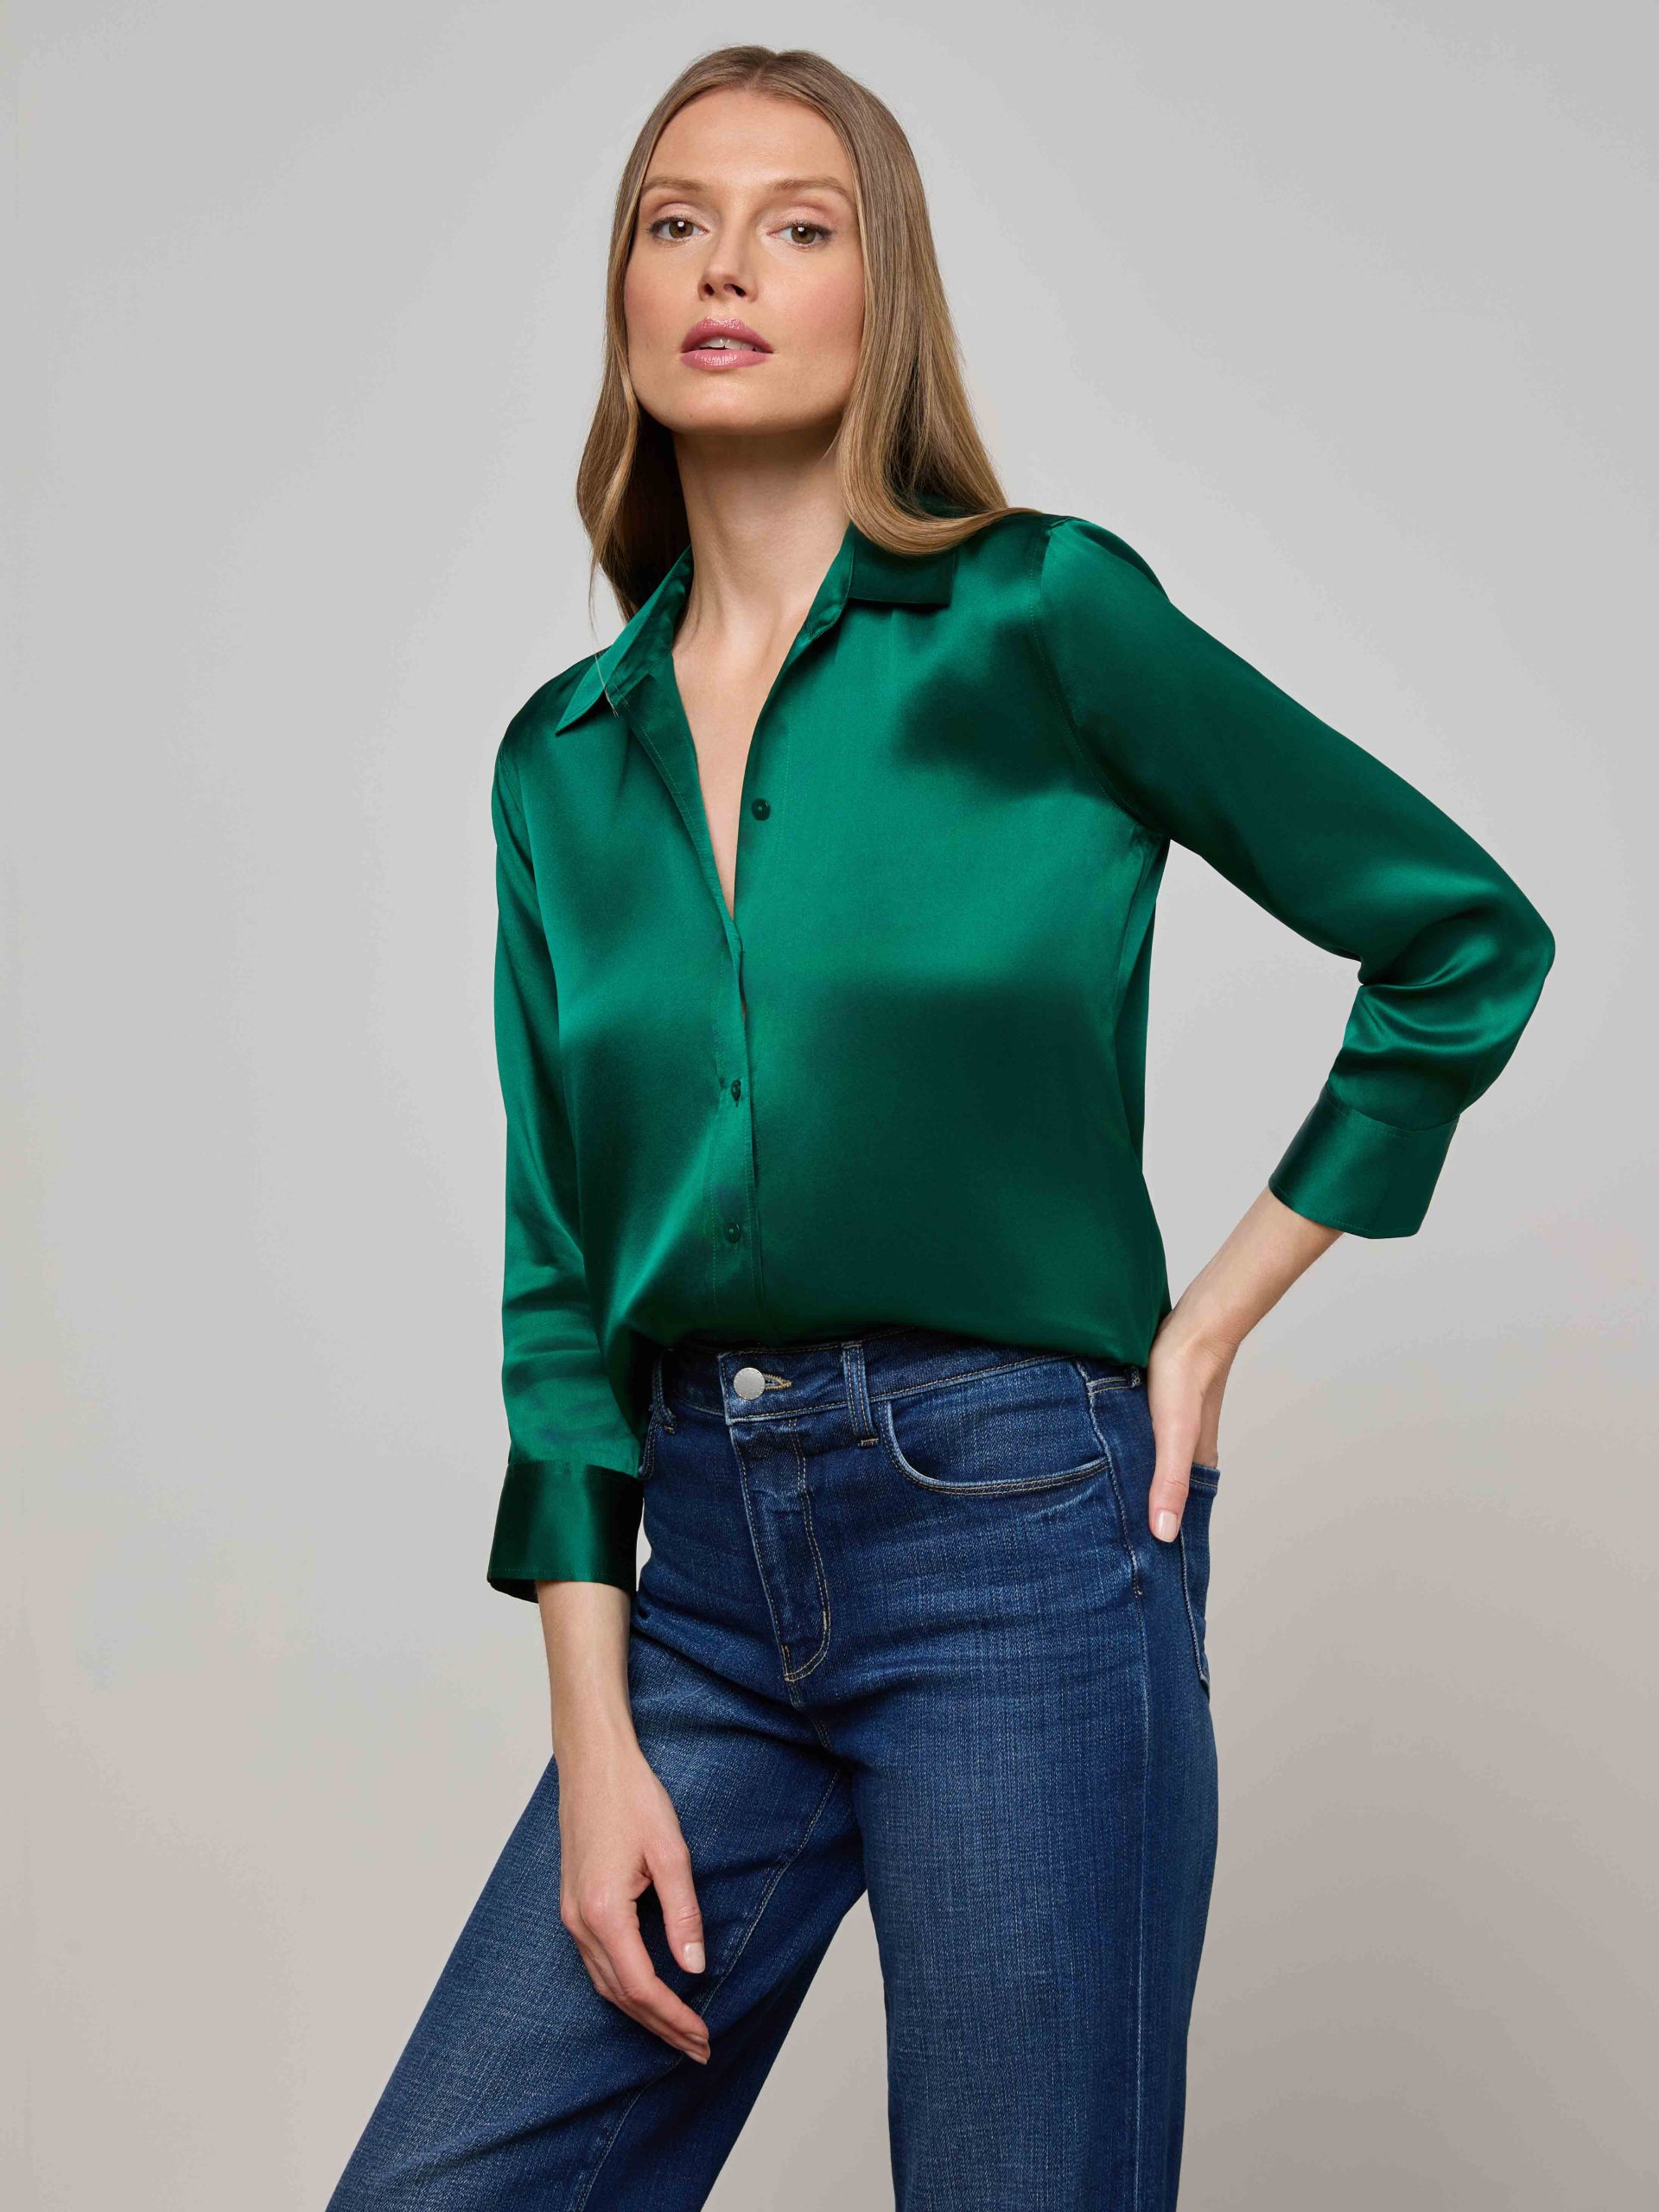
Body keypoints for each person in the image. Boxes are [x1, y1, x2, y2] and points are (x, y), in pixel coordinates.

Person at [324, 43, 1554, 2212]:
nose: (726, 265)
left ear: (880, 298)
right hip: (699, 1578)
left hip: (1018, 1534)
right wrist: (594, 1729)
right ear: (625, 293)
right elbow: (560, 1285)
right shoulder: (560, 764)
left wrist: (1208, 1320)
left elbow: (1460, 938)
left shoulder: (1040, 618)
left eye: (797, 225)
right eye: (676, 221)